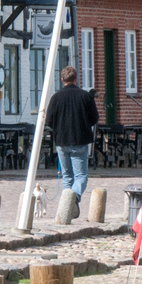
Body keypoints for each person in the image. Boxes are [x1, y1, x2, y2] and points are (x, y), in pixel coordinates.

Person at [45, 64, 99, 218]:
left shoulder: (56, 97)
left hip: (62, 140)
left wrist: (59, 127)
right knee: (81, 175)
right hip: (80, 139)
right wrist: (83, 123)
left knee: (67, 176)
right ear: (76, 79)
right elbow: (94, 118)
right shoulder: (85, 96)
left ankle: (66, 210)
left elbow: (49, 120)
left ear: (62, 79)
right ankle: (74, 197)